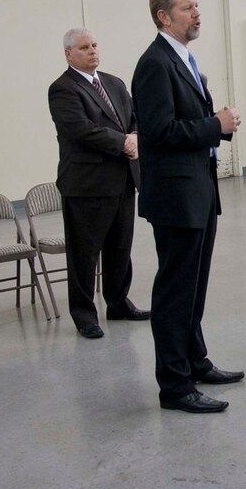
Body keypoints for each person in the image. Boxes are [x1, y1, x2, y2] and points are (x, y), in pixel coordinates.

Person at [132, 0, 243, 414]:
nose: (197, 13)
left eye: (197, 5)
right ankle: (175, 386)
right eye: (187, 8)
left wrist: (218, 125)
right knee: (175, 291)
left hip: (198, 188)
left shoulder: (184, 60)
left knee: (194, 287)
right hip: (176, 194)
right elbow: (158, 133)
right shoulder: (155, 64)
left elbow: (188, 123)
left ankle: (196, 362)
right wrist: (216, 125)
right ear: (164, 16)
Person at [48, 28, 148, 339]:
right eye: (83, 47)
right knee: (84, 253)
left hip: (122, 179)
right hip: (87, 185)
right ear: (69, 54)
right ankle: (84, 315)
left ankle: (118, 303)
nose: (92, 51)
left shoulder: (114, 83)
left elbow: (134, 116)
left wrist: (133, 137)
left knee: (120, 247)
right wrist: (123, 143)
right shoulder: (63, 89)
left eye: (94, 45)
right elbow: (81, 130)